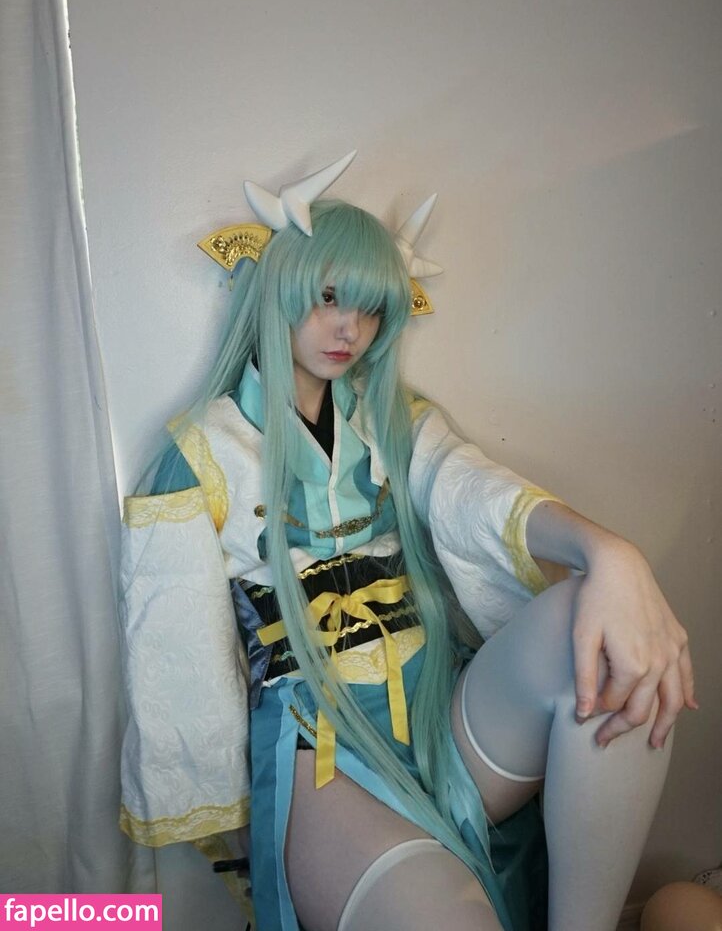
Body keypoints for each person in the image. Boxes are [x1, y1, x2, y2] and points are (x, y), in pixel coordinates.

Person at [119, 154, 695, 931]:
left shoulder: (393, 422)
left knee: (601, 632)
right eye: (329, 297)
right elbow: (178, 653)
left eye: (370, 308)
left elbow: (473, 490)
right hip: (321, 758)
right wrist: (234, 823)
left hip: (436, 718)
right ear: (280, 283)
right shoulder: (198, 458)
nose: (349, 329)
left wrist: (613, 558)